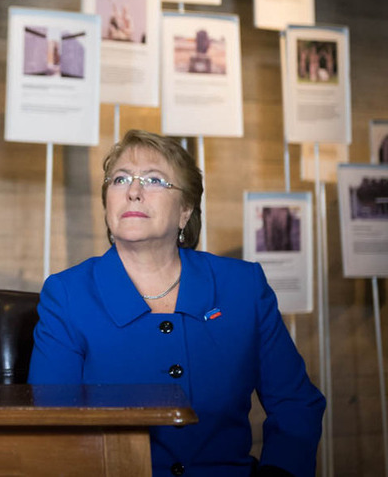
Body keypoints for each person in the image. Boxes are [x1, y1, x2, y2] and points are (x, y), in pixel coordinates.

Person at [29, 130, 324, 477]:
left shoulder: (242, 286)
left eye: (154, 180)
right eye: (121, 179)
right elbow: (52, 426)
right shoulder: (66, 294)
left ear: (185, 210)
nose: (133, 191)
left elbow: (296, 404)